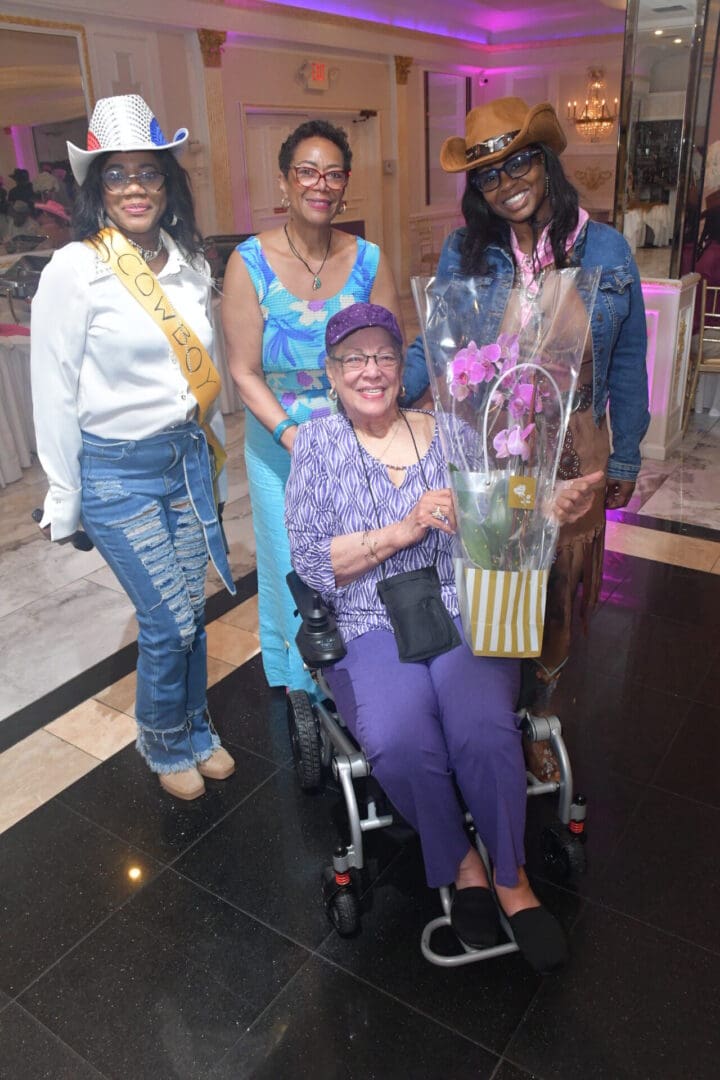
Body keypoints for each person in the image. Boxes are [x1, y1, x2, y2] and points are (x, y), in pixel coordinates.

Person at [285, 302, 603, 973]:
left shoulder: (452, 432)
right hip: (368, 617)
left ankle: (511, 877)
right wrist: (404, 530)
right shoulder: (315, 445)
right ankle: (462, 865)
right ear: (332, 373)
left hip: (462, 605)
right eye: (353, 359)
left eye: (384, 355)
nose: (371, 370)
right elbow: (312, 560)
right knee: (401, 736)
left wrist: (547, 506)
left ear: (403, 365)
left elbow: (500, 510)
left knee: (483, 728)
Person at [403, 97, 649, 780]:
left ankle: (539, 715)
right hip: (492, 444)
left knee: (559, 591)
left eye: (519, 164)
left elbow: (628, 360)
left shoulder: (606, 249)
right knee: (496, 580)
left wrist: (627, 453)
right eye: (488, 174)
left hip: (575, 447)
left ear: (545, 161)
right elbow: (435, 336)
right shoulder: (466, 250)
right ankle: (488, 715)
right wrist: (386, 388)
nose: (507, 183)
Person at [31, 94, 236, 801]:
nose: (135, 188)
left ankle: (197, 729)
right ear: (97, 187)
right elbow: (52, 390)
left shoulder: (187, 262)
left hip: (186, 460)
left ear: (167, 182)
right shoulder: (74, 269)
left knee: (192, 612)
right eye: (117, 175)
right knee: (167, 619)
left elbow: (202, 375)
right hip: (118, 475)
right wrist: (66, 497)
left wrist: (215, 467)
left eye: (148, 172)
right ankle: (163, 740)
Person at [222, 119, 404, 699]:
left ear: (345, 184)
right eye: (306, 172)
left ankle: (361, 680)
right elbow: (244, 370)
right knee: (296, 570)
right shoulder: (249, 263)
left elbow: (389, 355)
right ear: (284, 182)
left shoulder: (369, 260)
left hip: (359, 443)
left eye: (333, 174)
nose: (320, 184)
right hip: (283, 448)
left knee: (359, 562)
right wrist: (293, 437)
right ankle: (306, 689)